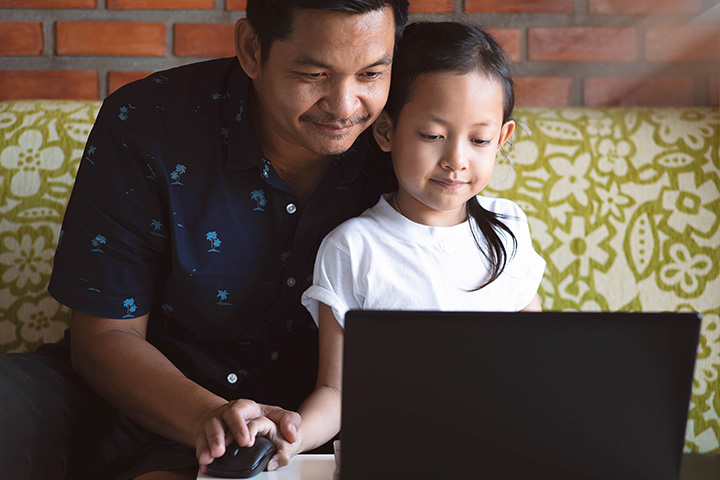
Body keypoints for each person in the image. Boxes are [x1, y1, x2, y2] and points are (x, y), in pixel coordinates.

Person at [0, 1, 409, 479]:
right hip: (137, 396)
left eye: (371, 74)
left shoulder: (418, 133)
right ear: (252, 50)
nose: (345, 106)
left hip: (318, 420)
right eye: (314, 73)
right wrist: (206, 416)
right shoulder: (147, 123)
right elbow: (107, 336)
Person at [292, 21, 547, 458]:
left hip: (498, 448)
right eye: (433, 136)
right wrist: (289, 436)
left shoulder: (509, 226)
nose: (456, 160)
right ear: (386, 131)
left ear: (502, 139)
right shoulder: (353, 248)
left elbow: (541, 360)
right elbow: (336, 392)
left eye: (480, 140)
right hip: (396, 454)